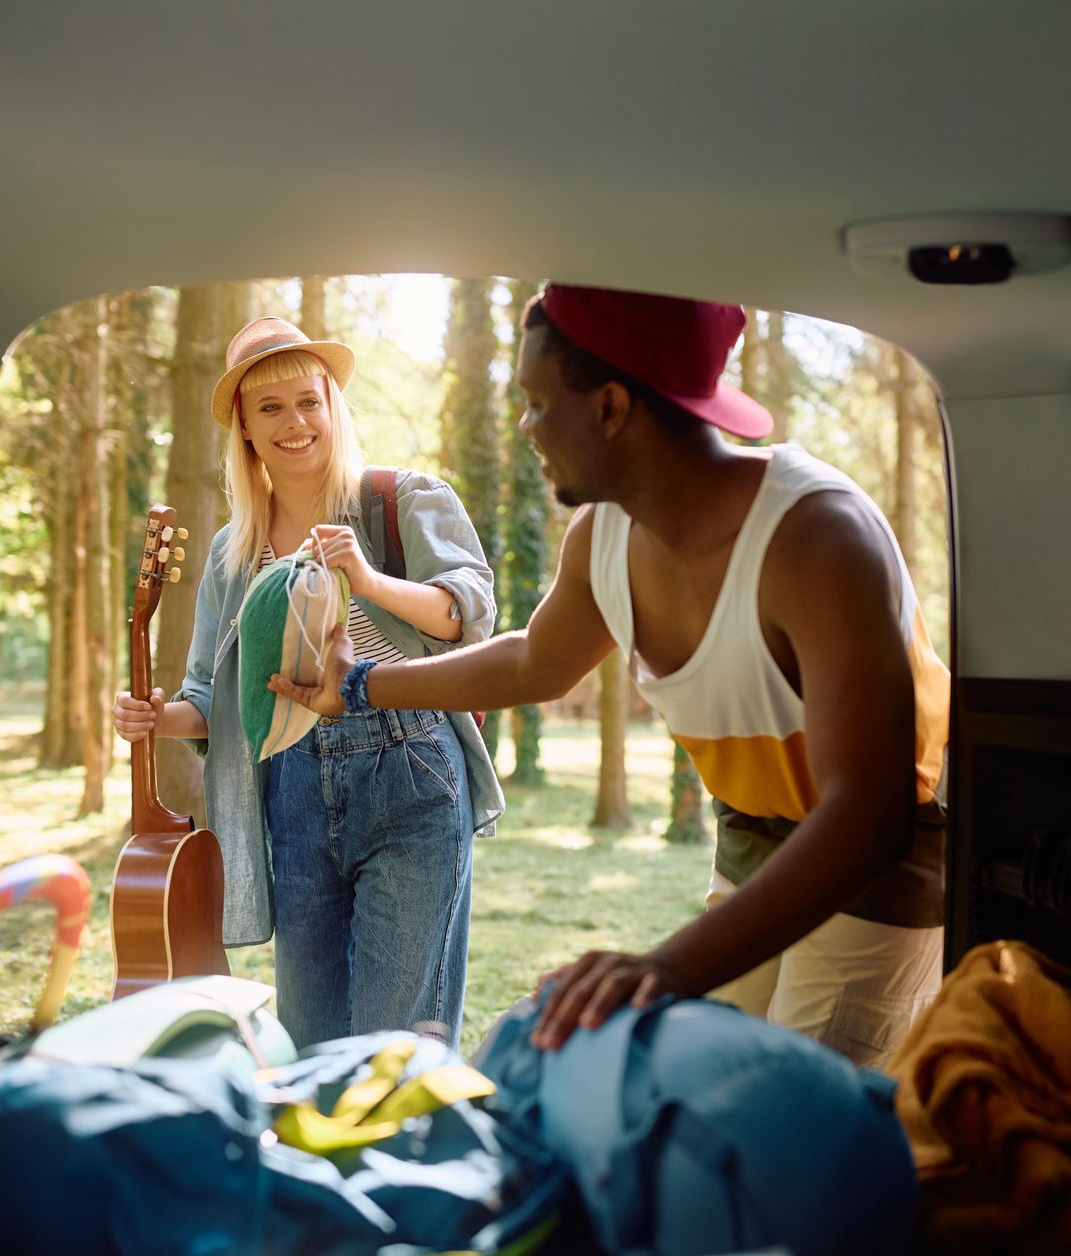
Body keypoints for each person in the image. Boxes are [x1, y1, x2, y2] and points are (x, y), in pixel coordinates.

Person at [273, 285, 951, 1066]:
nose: (526, 430)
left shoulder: (818, 538)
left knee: (777, 1138)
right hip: (749, 851)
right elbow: (536, 660)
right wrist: (357, 686)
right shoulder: (603, 534)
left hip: (872, 875)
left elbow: (867, 815)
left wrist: (661, 967)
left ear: (611, 408)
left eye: (536, 403)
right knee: (695, 1097)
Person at [113, 316, 502, 1049]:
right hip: (290, 785)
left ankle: (400, 1159)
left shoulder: (402, 499)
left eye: (308, 400)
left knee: (396, 1039)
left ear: (332, 406)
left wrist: (367, 577)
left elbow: (466, 613)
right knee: (310, 1037)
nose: (295, 422)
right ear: (245, 431)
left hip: (411, 771)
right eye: (270, 408)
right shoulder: (236, 551)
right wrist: (158, 718)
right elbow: (210, 696)